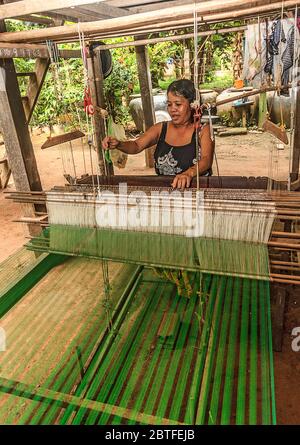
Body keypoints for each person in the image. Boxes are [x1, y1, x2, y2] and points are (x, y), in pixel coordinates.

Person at [102, 79, 214, 189]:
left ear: (193, 105)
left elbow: (206, 160)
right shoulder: (160, 129)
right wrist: (118, 144)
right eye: (169, 104)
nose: (172, 109)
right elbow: (136, 146)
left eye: (178, 104)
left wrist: (188, 174)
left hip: (196, 197)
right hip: (164, 195)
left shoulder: (203, 130)